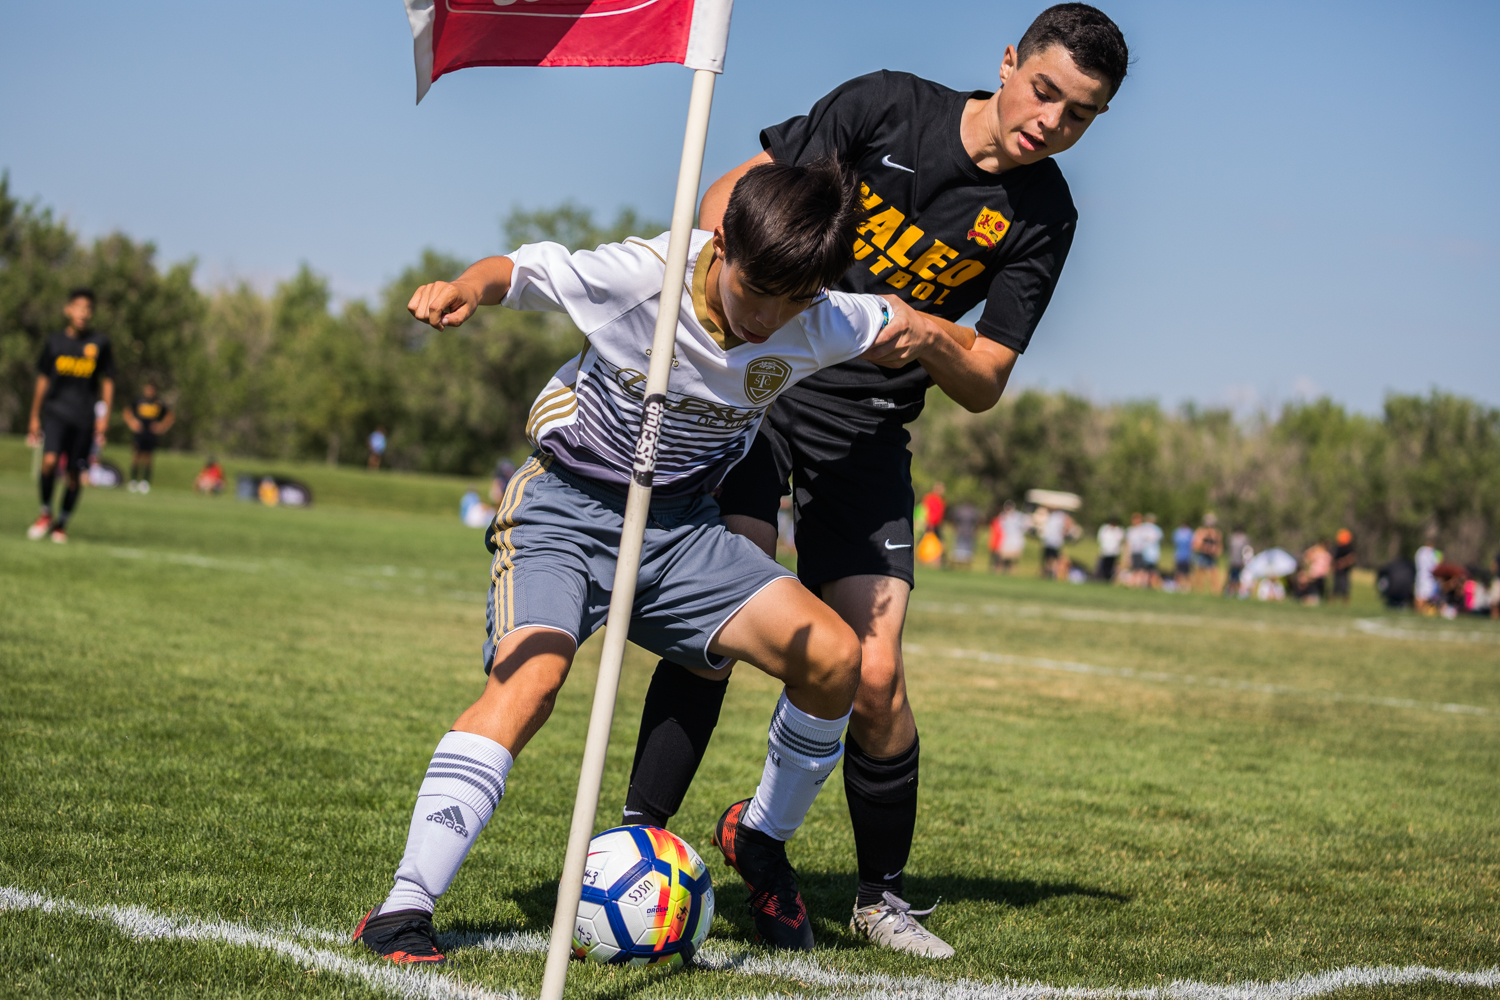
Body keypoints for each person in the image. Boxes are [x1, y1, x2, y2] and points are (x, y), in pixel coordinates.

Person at [354, 157, 967, 964]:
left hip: (681, 533)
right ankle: (404, 906)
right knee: (531, 678)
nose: (769, 321)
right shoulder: (646, 275)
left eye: (793, 305)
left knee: (835, 656)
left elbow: (895, 320)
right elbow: (525, 270)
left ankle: (760, 837)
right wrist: (467, 287)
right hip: (567, 511)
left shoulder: (816, 316)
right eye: (757, 295)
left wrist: (938, 338)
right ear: (724, 250)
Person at [619, 4, 1127, 958]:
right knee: (717, 624)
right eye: (1046, 91)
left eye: (1079, 115)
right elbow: (741, 196)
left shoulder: (1044, 216)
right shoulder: (886, 108)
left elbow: (985, 381)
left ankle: (818, 869)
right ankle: (633, 839)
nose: (1050, 121)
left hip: (865, 433)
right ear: (1009, 63)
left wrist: (931, 330)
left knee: (878, 674)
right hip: (761, 396)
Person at [26, 289, 114, 544]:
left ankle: (61, 523)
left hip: (84, 417)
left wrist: (104, 416)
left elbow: (108, 380)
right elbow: (43, 379)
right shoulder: (55, 342)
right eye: (78, 307)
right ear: (68, 310)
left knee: (75, 474)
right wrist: (34, 415)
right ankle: (45, 512)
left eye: (88, 308)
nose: (83, 313)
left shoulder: (100, 344)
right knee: (50, 462)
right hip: (56, 413)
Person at [121, 381, 174, 493]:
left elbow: (170, 416)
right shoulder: (139, 400)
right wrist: (132, 423)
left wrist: (161, 426)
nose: (149, 392)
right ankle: (133, 481)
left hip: (151, 434)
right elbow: (127, 411)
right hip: (140, 433)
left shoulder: (158, 403)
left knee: (148, 457)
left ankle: (145, 482)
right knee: (136, 455)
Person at [1192, 513, 1222, 594]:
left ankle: (1216, 591)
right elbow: (1195, 545)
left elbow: (1219, 546)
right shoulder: (1200, 531)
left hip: (1211, 556)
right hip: (1202, 554)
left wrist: (1215, 550)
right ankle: (1199, 590)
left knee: (1214, 574)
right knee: (1200, 573)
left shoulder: (1216, 533)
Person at [998, 499, 1028, 573]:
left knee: (1014, 559)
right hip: (1006, 539)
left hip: (1016, 540)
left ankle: (1012, 572)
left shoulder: (1019, 516)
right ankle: (1001, 571)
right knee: (1003, 557)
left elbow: (1024, 526)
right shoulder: (1003, 516)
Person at [1040, 506, 1070, 579]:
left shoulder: (1061, 516)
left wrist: (1064, 532)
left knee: (1054, 559)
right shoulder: (1049, 515)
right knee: (1047, 558)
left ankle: (1053, 574)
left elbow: (1068, 523)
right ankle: (1046, 573)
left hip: (1056, 541)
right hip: (1048, 540)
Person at [949, 500, 980, 568]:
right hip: (968, 532)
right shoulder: (973, 511)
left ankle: (960, 565)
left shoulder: (960, 510)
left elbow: (952, 518)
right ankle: (963, 566)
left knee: (960, 548)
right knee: (965, 549)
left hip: (962, 531)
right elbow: (979, 521)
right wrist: (975, 530)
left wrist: (955, 527)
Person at [1095, 514, 1123, 582]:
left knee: (1111, 567)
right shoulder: (1104, 528)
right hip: (1105, 551)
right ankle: (1101, 578)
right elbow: (1100, 538)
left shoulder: (1119, 530)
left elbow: (1120, 540)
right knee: (1102, 565)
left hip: (1113, 552)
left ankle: (1108, 578)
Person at [1414, 541, 1440, 614]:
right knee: (1425, 596)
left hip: (1419, 575)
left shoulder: (1420, 551)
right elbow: (1435, 566)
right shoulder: (1432, 553)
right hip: (1428, 577)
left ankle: (1417, 611)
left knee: (1419, 595)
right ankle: (1422, 611)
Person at [1331, 528, 1356, 604]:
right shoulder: (1337, 547)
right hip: (1337, 571)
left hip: (1345, 572)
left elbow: (1351, 558)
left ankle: (1345, 603)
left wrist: (1342, 563)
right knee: (1335, 587)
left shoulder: (1349, 548)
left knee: (1345, 588)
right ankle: (1332, 602)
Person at [1225, 526, 1250, 596]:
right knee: (1233, 577)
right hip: (1234, 561)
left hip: (1238, 561)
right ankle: (1231, 591)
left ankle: (1239, 591)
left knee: (1238, 578)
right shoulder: (1235, 538)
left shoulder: (1240, 538)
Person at [1171, 521, 1195, 591]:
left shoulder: (1177, 532)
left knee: (1181, 572)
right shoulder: (1190, 532)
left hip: (1181, 555)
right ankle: (1184, 586)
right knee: (1185, 572)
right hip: (1185, 556)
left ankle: (1180, 586)